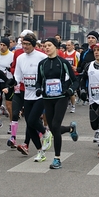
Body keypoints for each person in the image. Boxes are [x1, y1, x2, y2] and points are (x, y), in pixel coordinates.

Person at [35, 37, 79, 169]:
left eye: (49, 45)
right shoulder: (42, 64)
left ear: (56, 47)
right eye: (44, 46)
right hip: (47, 98)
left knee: (55, 125)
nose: (46, 48)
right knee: (54, 128)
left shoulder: (63, 62)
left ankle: (57, 158)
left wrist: (70, 90)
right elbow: (39, 81)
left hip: (61, 97)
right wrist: (38, 89)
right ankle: (70, 129)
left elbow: (75, 80)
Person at [14, 33, 54, 161]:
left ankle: (46, 132)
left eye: (27, 44)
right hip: (27, 94)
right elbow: (17, 77)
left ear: (33, 45)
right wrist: (11, 82)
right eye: (23, 44)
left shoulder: (42, 57)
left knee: (32, 120)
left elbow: (49, 74)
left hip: (41, 94)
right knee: (29, 125)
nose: (24, 46)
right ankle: (40, 152)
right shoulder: (20, 58)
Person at [63, 40, 80, 113]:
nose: (67, 47)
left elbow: (80, 64)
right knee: (65, 90)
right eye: (66, 45)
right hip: (66, 75)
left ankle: (73, 105)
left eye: (69, 45)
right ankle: (66, 104)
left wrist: (77, 68)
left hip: (74, 75)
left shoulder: (77, 54)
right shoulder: (64, 54)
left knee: (72, 91)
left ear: (73, 46)